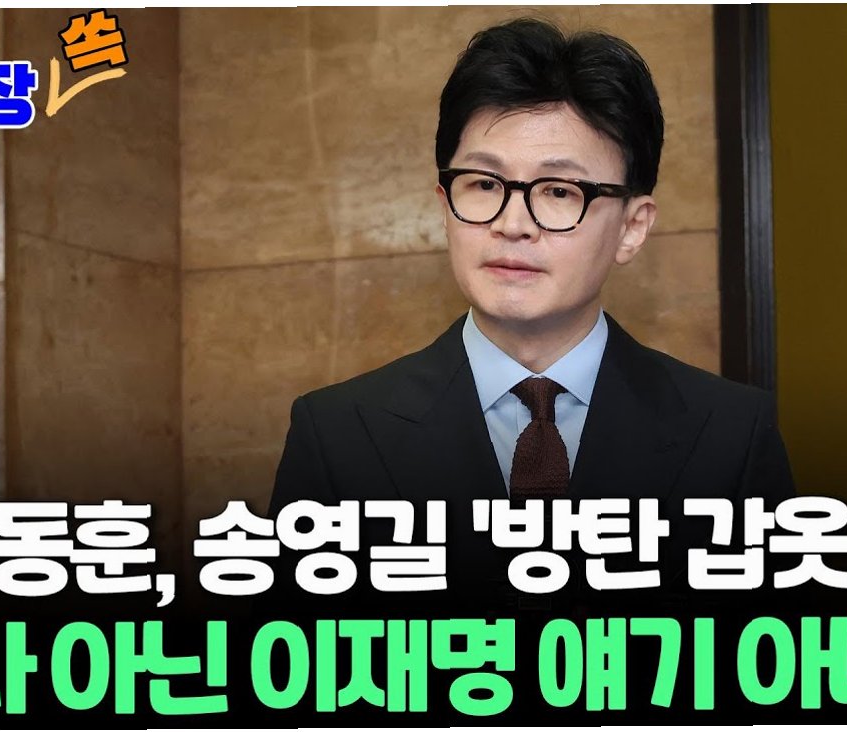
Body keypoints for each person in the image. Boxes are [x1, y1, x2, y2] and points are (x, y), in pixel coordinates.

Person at [267, 17, 795, 611]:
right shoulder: (338, 434)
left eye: (559, 191)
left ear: (632, 227)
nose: (512, 223)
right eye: (484, 184)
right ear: (444, 204)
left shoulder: (731, 434)